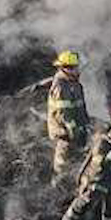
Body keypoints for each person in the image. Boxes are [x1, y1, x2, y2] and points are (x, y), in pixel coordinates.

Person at [44, 50, 90, 184]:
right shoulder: (61, 86)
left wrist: (85, 123)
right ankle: (58, 183)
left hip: (75, 129)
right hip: (63, 131)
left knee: (75, 157)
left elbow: (79, 107)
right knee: (62, 160)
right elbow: (64, 114)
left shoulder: (74, 83)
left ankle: (71, 180)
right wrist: (75, 130)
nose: (78, 70)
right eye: (76, 67)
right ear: (67, 68)